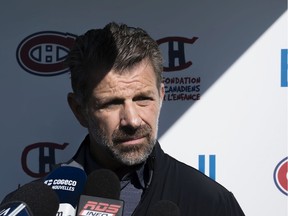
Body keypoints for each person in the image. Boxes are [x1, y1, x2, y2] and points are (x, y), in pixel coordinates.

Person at [4, 22, 246, 216]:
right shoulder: (32, 207)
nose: (132, 120)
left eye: (143, 99)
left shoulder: (210, 202)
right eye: (112, 103)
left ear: (161, 96)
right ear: (79, 110)